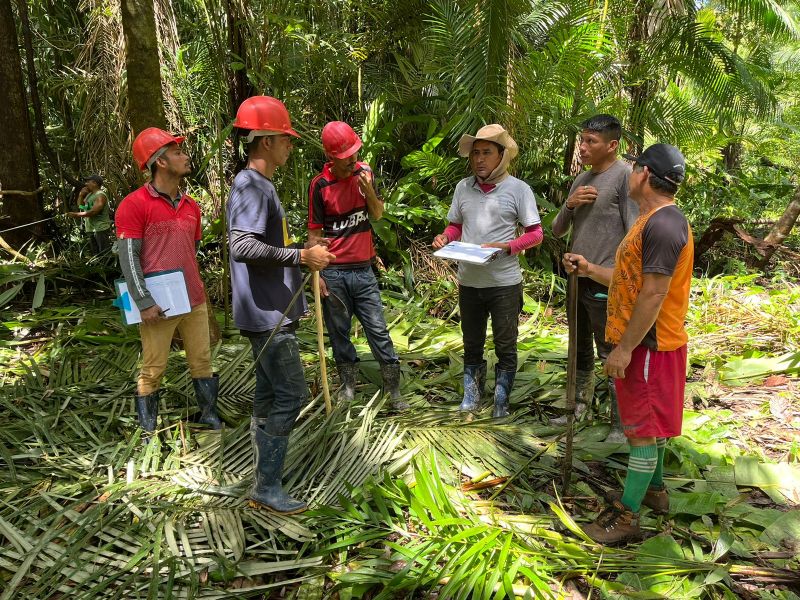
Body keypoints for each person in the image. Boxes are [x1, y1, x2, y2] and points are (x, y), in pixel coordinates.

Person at [563, 143, 692, 544]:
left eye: (635, 166)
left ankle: (626, 518)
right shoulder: (650, 220)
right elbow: (629, 279)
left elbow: (652, 294)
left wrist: (624, 349)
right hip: (647, 343)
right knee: (650, 428)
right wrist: (589, 269)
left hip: (649, 345)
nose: (630, 171)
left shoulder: (663, 225)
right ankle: (654, 492)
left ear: (644, 175)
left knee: (640, 432)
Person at [228, 96, 335, 514]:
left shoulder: (256, 185)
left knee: (270, 395)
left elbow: (263, 245)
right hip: (267, 314)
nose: (290, 147)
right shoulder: (252, 185)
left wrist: (301, 254)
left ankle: (263, 479)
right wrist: (300, 257)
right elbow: (242, 246)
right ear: (266, 141)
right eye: (286, 140)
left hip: (269, 308)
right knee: (291, 393)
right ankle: (267, 486)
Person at [115, 128, 222, 437]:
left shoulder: (192, 206)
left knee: (201, 359)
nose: (185, 156)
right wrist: (144, 301)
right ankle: (148, 429)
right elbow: (128, 257)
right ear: (160, 162)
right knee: (153, 367)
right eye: (177, 153)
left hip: (194, 298)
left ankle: (209, 415)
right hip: (158, 304)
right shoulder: (134, 205)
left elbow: (192, 251)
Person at [432, 124, 543, 418]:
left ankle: (501, 403)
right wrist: (446, 237)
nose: (479, 159)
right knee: (472, 343)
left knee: (506, 345)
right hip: (469, 282)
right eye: (476, 154)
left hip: (504, 283)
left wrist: (506, 247)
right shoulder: (462, 188)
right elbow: (456, 225)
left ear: (502, 156)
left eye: (487, 153)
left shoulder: (518, 190)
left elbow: (535, 234)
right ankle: (471, 398)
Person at [307, 121, 405, 411]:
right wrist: (318, 274)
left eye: (354, 153)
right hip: (334, 272)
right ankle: (347, 386)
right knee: (339, 332)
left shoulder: (365, 173)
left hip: (363, 270)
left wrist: (369, 192)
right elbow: (314, 233)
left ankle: (393, 389)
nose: (352, 160)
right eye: (345, 156)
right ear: (330, 158)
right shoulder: (320, 185)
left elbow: (376, 214)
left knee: (378, 329)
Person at [551, 115, 637, 442]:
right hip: (575, 279)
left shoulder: (624, 178)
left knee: (610, 352)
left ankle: (620, 424)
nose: (583, 148)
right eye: (582, 140)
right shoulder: (581, 178)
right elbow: (557, 229)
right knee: (578, 349)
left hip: (604, 282)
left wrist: (617, 276)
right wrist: (570, 204)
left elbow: (633, 235)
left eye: (591, 142)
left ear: (612, 145)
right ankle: (578, 408)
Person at [68, 174, 113, 252]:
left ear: (94, 183)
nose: (86, 184)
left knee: (104, 253)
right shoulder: (90, 195)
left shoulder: (100, 195)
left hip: (100, 228)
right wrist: (81, 195)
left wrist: (76, 215)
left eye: (88, 182)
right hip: (91, 229)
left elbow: (93, 212)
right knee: (96, 253)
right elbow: (81, 207)